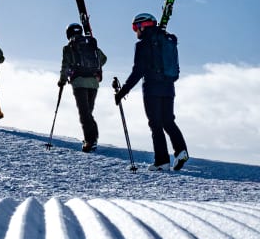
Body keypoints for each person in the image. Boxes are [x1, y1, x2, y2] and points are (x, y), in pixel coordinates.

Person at [114, 13, 188, 171]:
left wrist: (122, 92)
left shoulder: (142, 45)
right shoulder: (165, 39)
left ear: (143, 26)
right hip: (169, 87)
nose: (136, 32)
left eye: (136, 28)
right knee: (168, 121)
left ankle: (162, 161)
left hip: (152, 89)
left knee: (155, 124)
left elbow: (138, 71)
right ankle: (181, 151)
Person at [58, 23, 107, 152]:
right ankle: (93, 139)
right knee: (88, 112)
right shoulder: (91, 44)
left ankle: (90, 142)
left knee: (84, 113)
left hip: (79, 82)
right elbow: (103, 58)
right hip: (93, 82)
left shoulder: (68, 47)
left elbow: (65, 65)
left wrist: (62, 80)